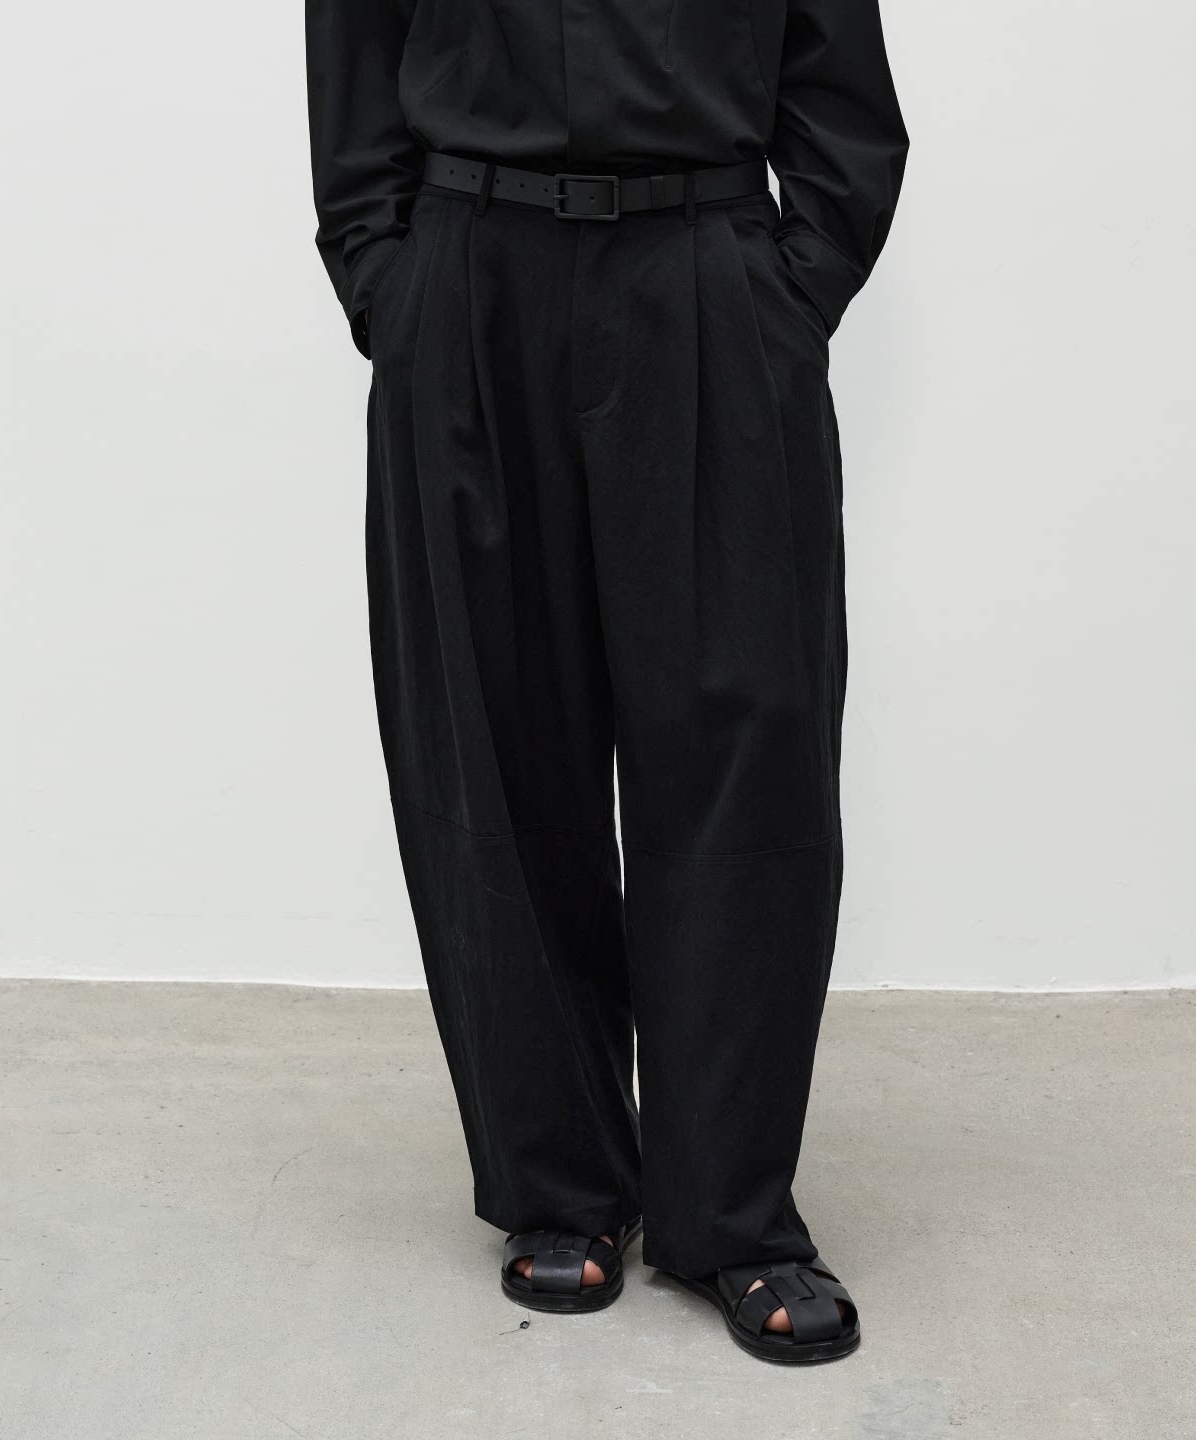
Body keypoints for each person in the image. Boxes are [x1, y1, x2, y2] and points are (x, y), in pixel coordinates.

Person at [305, 0, 907, 1364]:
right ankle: (561, 1184)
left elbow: (845, 101)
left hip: (708, 276)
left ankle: (732, 1214)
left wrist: (781, 296)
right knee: (498, 743)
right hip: (469, 282)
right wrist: (392, 286)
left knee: (745, 746)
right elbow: (352, 65)